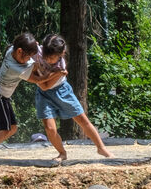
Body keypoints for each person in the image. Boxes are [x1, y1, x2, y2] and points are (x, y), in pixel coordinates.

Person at [32, 33, 113, 162]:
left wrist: (52, 73)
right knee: (50, 128)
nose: (47, 60)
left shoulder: (61, 65)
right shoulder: (37, 51)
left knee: (82, 120)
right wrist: (54, 73)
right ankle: (62, 153)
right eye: (46, 56)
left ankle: (101, 147)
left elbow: (46, 85)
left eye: (51, 58)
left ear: (61, 54)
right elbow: (43, 87)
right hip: (43, 94)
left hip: (62, 90)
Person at [0, 33, 39, 159]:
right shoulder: (15, 68)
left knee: (13, 128)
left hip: (2, 96)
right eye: (28, 57)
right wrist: (55, 74)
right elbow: (37, 79)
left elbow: (29, 58)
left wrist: (35, 49)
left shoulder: (11, 50)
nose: (28, 59)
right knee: (4, 130)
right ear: (19, 51)